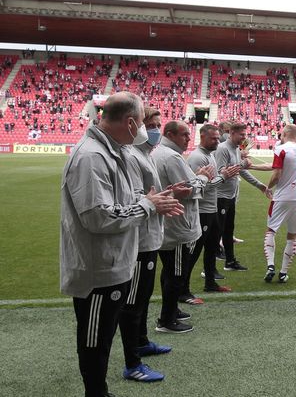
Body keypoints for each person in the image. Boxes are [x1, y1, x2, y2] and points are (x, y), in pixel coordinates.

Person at [60, 92, 183, 397]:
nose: (144, 129)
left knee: (102, 338)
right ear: (130, 122)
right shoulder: (92, 156)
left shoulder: (112, 151)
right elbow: (99, 217)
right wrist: (147, 206)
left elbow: (125, 201)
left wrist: (150, 201)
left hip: (114, 264)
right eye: (142, 122)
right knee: (95, 342)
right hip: (98, 271)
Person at [118, 107, 175, 383]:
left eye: (157, 124)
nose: (154, 129)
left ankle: (141, 342)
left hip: (151, 237)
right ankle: (132, 362)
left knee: (142, 298)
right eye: (149, 124)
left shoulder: (145, 155)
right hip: (140, 241)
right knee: (133, 302)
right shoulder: (132, 156)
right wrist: (155, 203)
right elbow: (135, 199)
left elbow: (148, 195)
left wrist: (161, 199)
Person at [152, 120, 214, 329]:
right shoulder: (172, 157)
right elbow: (189, 190)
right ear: (170, 134)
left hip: (169, 223)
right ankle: (167, 319)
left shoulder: (159, 153)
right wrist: (203, 178)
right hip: (178, 226)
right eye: (185, 134)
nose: (189, 138)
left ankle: (171, 311)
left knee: (170, 270)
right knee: (176, 274)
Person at [185, 124, 240, 296]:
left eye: (218, 138)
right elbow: (201, 186)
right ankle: (182, 290)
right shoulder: (197, 157)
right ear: (202, 137)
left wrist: (222, 175)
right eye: (213, 138)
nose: (217, 141)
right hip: (202, 210)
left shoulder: (209, 155)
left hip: (211, 208)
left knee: (211, 248)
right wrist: (224, 176)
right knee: (193, 253)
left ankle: (210, 282)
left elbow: (211, 180)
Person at [214, 122, 270, 272]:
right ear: (231, 133)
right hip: (220, 196)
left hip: (230, 196)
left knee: (228, 230)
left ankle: (230, 262)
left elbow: (242, 171)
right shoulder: (222, 149)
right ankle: (209, 268)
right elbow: (221, 173)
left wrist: (260, 186)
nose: (244, 138)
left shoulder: (236, 149)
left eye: (245, 135)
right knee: (217, 231)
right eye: (242, 135)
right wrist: (243, 163)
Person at [262, 124, 296, 282]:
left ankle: (270, 265)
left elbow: (276, 174)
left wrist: (267, 188)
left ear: (284, 134)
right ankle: (283, 273)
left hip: (283, 195)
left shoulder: (281, 148)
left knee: (271, 230)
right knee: (292, 235)